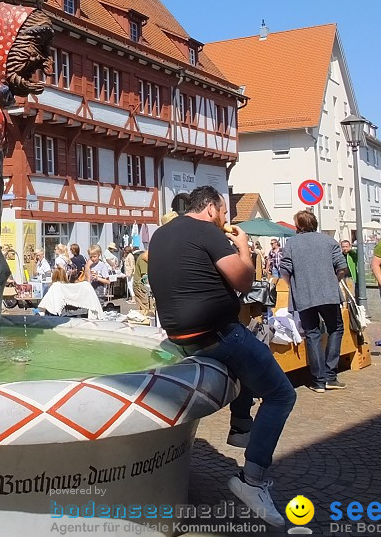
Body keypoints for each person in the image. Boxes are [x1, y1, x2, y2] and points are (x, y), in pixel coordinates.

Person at [148, 186, 294, 527]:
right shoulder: (207, 232)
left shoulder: (161, 234)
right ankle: (252, 481)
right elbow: (244, 281)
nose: (226, 220)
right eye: (225, 213)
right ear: (212, 208)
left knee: (251, 356)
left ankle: (242, 426)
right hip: (217, 335)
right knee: (281, 394)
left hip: (181, 337)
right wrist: (243, 247)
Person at [278, 210, 347, 394]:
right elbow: (342, 267)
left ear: (298, 226)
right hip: (328, 293)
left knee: (312, 334)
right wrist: (333, 280)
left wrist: (294, 284)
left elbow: (284, 269)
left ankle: (318, 381)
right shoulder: (328, 241)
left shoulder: (291, 244)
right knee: (336, 328)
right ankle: (331, 376)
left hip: (304, 294)